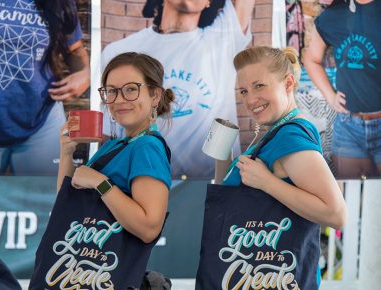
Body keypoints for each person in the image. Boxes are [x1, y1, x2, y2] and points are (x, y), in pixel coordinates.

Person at [217, 46, 347, 287]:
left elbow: (336, 214)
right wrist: (222, 154)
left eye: (259, 86)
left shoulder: (290, 137)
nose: (250, 99)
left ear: (288, 83)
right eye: (243, 91)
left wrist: (268, 183)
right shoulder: (275, 134)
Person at [101, 0, 255, 179]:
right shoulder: (119, 51)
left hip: (211, 188)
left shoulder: (223, 38)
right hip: (142, 184)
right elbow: (110, 134)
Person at [59, 51, 173, 249]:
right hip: (87, 268)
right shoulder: (117, 145)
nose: (119, 99)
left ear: (155, 95)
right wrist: (66, 152)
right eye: (112, 91)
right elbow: (66, 203)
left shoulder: (147, 147)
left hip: (109, 271)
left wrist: (100, 182)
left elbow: (149, 229)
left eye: (130, 89)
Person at [0, 0, 90, 176]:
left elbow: (74, 50)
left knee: (44, 198)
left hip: (42, 123)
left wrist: (84, 73)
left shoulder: (60, 3)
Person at [304, 0, 381, 178]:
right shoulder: (331, 17)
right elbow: (311, 59)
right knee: (351, 197)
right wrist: (330, 96)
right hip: (348, 128)